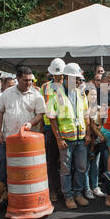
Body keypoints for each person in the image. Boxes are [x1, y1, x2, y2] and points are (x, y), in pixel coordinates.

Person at [46, 63, 91, 210]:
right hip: (66, 140)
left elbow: (86, 115)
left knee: (81, 168)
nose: (79, 82)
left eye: (79, 79)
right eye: (76, 79)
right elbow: (52, 118)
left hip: (81, 139)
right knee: (65, 170)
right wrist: (59, 139)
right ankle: (69, 196)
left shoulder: (81, 93)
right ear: (66, 78)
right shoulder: (55, 93)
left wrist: (88, 134)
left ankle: (78, 193)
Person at [40, 58, 66, 201]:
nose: (58, 77)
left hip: (66, 128)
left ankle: (64, 189)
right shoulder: (44, 87)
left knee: (64, 162)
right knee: (51, 161)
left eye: (60, 74)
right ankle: (53, 190)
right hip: (50, 128)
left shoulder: (68, 86)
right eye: (56, 74)